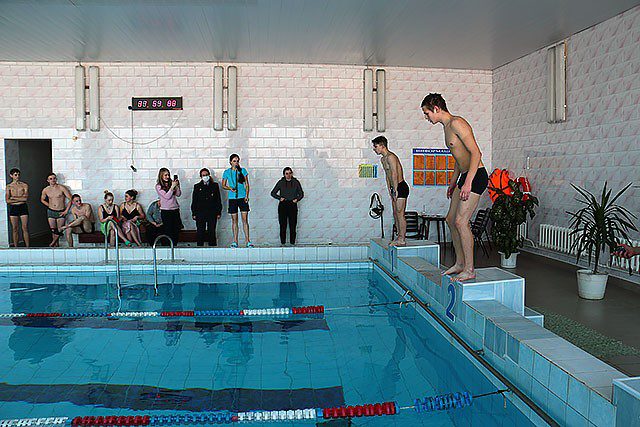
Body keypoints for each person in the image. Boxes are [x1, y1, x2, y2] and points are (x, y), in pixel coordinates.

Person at [422, 93, 488, 281]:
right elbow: (459, 160)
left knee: (461, 221)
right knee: (450, 219)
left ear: (436, 108)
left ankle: (469, 269)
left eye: (427, 113)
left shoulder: (457, 123)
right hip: (465, 175)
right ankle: (459, 263)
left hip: (476, 175)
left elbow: (476, 153)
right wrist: (453, 183)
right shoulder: (446, 128)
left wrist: (468, 182)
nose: (426, 117)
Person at [372, 136, 409, 247]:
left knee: (400, 214)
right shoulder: (383, 159)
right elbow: (387, 176)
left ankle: (402, 239)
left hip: (401, 187)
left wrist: (396, 189)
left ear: (382, 145)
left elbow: (394, 174)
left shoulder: (391, 157)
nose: (374, 149)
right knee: (395, 213)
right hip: (394, 188)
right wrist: (390, 190)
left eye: (376, 146)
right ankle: (399, 236)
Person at [222, 154, 253, 248]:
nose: (236, 163)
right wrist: (230, 188)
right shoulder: (227, 172)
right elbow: (223, 185)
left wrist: (247, 196)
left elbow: (247, 184)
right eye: (234, 161)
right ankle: (235, 241)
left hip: (242, 197)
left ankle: (248, 241)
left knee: (244, 220)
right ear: (230, 162)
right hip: (232, 198)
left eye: (237, 161)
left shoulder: (242, 170)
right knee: (234, 220)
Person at [270, 167, 304, 245]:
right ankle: (283, 243)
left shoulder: (296, 182)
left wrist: (297, 199)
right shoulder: (281, 182)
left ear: (292, 173)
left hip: (292, 205)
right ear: (284, 174)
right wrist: (279, 198)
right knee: (283, 225)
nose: (288, 175)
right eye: (287, 173)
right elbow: (273, 193)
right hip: (283, 205)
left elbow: (301, 194)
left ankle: (292, 243)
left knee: (293, 225)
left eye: (290, 173)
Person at [191, 168, 222, 246]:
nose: (205, 176)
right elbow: (194, 201)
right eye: (203, 175)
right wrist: (194, 213)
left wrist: (218, 212)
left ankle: (212, 249)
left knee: (211, 231)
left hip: (212, 212)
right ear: (201, 177)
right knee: (200, 231)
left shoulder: (215, 185)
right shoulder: (197, 186)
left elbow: (218, 199)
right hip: (200, 212)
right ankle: (199, 248)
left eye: (206, 175)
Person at [40, 173, 72, 247]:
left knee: (59, 230)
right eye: (51, 179)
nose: (53, 180)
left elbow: (71, 199)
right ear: (48, 180)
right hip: (51, 211)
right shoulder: (46, 190)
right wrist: (49, 205)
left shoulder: (62, 188)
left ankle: (52, 243)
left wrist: (66, 211)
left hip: (61, 211)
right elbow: (42, 199)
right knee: (53, 230)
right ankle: (56, 246)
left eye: (54, 178)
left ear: (56, 179)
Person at [155, 168, 182, 245]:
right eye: (165, 175)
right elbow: (167, 196)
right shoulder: (158, 186)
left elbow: (178, 194)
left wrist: (177, 186)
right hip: (166, 210)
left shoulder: (171, 183)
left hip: (175, 209)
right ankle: (168, 245)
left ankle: (175, 245)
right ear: (161, 176)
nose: (167, 177)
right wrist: (172, 188)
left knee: (176, 229)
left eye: (168, 175)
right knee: (168, 230)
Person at [5, 168, 30, 247]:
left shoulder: (24, 185)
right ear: (11, 175)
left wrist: (13, 198)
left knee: (25, 227)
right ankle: (16, 247)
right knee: (15, 228)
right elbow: (7, 200)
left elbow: (25, 199)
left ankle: (28, 246)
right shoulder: (9, 186)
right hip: (13, 207)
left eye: (18, 174)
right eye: (15, 175)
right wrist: (19, 198)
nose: (17, 176)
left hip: (23, 206)